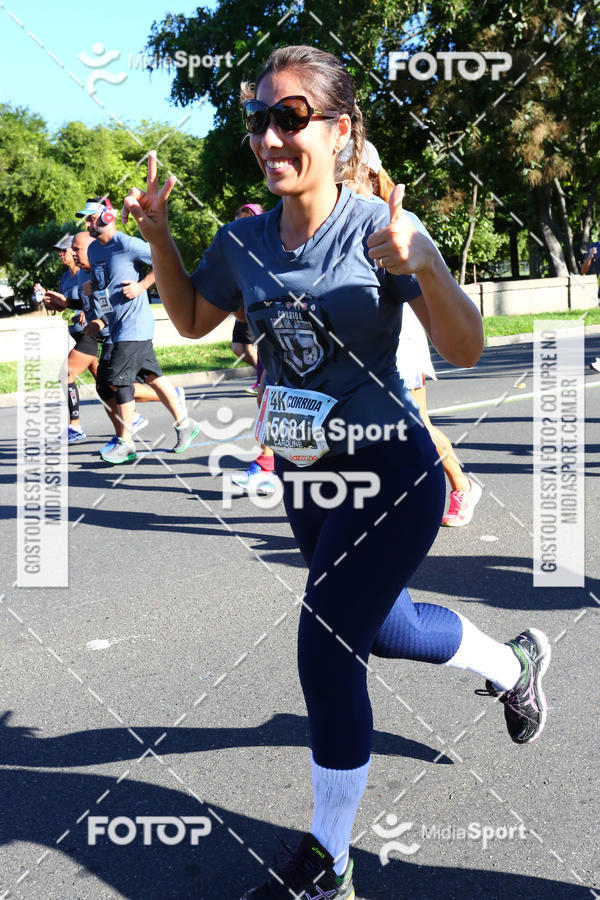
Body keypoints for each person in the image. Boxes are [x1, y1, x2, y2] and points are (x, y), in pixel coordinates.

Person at [122, 45, 552, 900]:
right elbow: (194, 318)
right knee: (379, 625)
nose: (269, 137)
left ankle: (330, 860)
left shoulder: (379, 229)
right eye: (258, 119)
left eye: (290, 117)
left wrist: (425, 264)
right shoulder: (243, 239)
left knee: (326, 643)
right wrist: (160, 237)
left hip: (392, 470)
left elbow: (468, 348)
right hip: (306, 475)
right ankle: (514, 666)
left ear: (339, 129)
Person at [338, 140, 482, 526]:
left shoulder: (401, 220)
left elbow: (434, 287)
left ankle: (462, 486)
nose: (338, 183)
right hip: (359, 344)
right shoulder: (335, 221)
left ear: (368, 174)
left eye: (345, 173)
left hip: (403, 338)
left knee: (416, 422)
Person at [75, 197, 197, 463]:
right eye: (86, 219)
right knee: (153, 377)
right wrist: (92, 290)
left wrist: (142, 286)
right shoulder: (94, 250)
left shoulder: (128, 244)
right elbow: (104, 284)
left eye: (91, 218)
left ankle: (126, 443)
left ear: (107, 216)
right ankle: (185, 424)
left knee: (118, 380)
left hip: (135, 325)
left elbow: (165, 260)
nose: (88, 224)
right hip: (116, 325)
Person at [231, 203, 266, 393]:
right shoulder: (237, 249)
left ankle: (263, 382)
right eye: (237, 224)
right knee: (238, 347)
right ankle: (263, 379)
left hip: (260, 305)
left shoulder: (266, 246)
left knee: (260, 347)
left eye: (246, 223)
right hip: (242, 304)